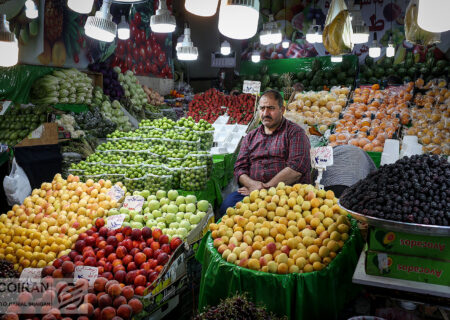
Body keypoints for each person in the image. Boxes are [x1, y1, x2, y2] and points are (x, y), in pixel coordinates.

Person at [219, 90, 311, 216]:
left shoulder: (295, 133)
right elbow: (239, 168)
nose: (265, 113)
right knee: (227, 206)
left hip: (286, 193)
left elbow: (296, 168)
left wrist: (266, 187)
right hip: (253, 191)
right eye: (262, 108)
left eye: (271, 108)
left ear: (282, 109)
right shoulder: (250, 137)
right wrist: (253, 185)